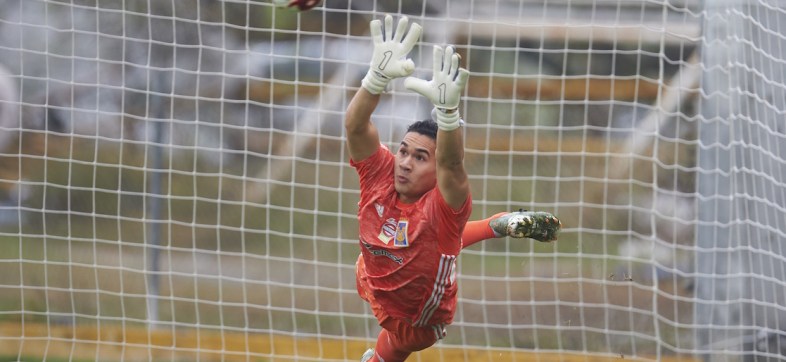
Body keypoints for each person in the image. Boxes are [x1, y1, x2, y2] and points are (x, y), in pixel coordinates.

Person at [346, 14, 560, 362]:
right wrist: (375, 79)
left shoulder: (442, 204)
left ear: (435, 171)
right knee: (423, 243)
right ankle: (498, 224)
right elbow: (356, 127)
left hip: (418, 318)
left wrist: (448, 115)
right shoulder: (380, 175)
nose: (404, 162)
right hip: (371, 277)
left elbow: (451, 164)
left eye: (419, 157)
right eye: (402, 151)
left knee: (432, 247)